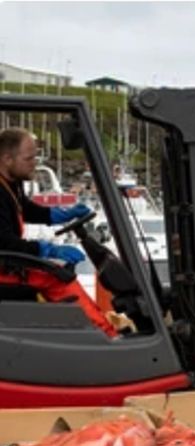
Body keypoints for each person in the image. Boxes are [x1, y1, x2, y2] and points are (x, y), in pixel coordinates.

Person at [0, 127, 117, 337]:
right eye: (29, 158)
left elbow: (23, 207)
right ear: (7, 159)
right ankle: (107, 336)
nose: (34, 163)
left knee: (55, 271)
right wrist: (48, 250)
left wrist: (58, 215)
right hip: (4, 263)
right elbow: (4, 242)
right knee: (57, 277)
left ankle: (91, 330)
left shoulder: (10, 183)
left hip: (7, 260)